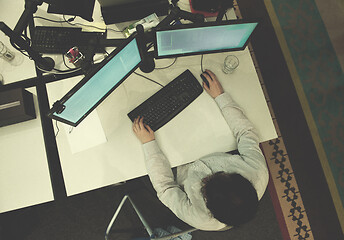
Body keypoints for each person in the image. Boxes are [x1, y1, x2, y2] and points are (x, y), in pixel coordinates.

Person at [132, 69, 269, 231]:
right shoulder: (257, 172)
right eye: (220, 174)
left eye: (204, 187)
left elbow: (165, 188)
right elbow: (246, 133)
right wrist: (221, 97)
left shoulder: (199, 218)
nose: (205, 178)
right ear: (240, 178)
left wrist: (149, 144)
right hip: (210, 145)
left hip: (178, 165)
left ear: (209, 208)